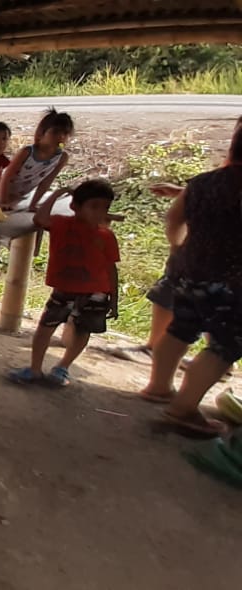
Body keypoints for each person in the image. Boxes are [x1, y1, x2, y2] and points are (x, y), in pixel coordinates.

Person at [138, 121, 242, 435]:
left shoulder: (202, 183)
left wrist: (179, 248)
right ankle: (182, 409)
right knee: (226, 344)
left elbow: (173, 220)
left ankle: (158, 387)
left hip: (190, 270)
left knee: (180, 329)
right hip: (233, 281)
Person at [7, 180, 120, 388]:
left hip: (96, 292)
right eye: (94, 206)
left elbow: (111, 269)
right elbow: (39, 218)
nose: (100, 213)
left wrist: (114, 299)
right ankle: (35, 368)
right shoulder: (61, 224)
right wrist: (58, 192)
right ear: (75, 206)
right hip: (64, 290)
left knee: (83, 330)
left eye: (105, 208)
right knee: (46, 327)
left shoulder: (106, 236)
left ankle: (63, 367)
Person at [0, 109, 73, 210]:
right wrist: (3, 202)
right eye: (55, 132)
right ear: (42, 133)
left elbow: (46, 182)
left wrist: (33, 204)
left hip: (19, 195)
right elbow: (6, 177)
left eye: (66, 133)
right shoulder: (27, 152)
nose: (61, 137)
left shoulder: (61, 158)